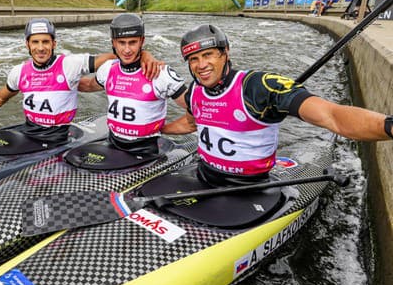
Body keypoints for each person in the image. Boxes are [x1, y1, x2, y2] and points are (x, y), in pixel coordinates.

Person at [161, 24, 392, 186]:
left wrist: (388, 126)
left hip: (249, 186)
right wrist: (158, 130)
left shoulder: (259, 86)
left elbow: (332, 116)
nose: (201, 65)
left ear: (225, 53)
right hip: (205, 175)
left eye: (208, 55)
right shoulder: (195, 90)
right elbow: (192, 122)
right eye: (194, 59)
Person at [0, 18, 162, 144]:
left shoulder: (70, 64)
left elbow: (113, 56)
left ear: (54, 43)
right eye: (35, 42)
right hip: (29, 131)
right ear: (27, 44)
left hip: (59, 138)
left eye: (46, 41)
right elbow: (0, 98)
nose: (41, 47)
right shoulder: (19, 72)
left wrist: (145, 55)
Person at [78, 13, 187, 155]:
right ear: (113, 43)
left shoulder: (160, 73)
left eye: (133, 42)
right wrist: (56, 78)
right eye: (122, 43)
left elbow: (198, 109)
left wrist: (165, 128)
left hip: (145, 150)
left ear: (142, 41)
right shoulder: (108, 68)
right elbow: (87, 85)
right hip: (113, 142)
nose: (127, 50)